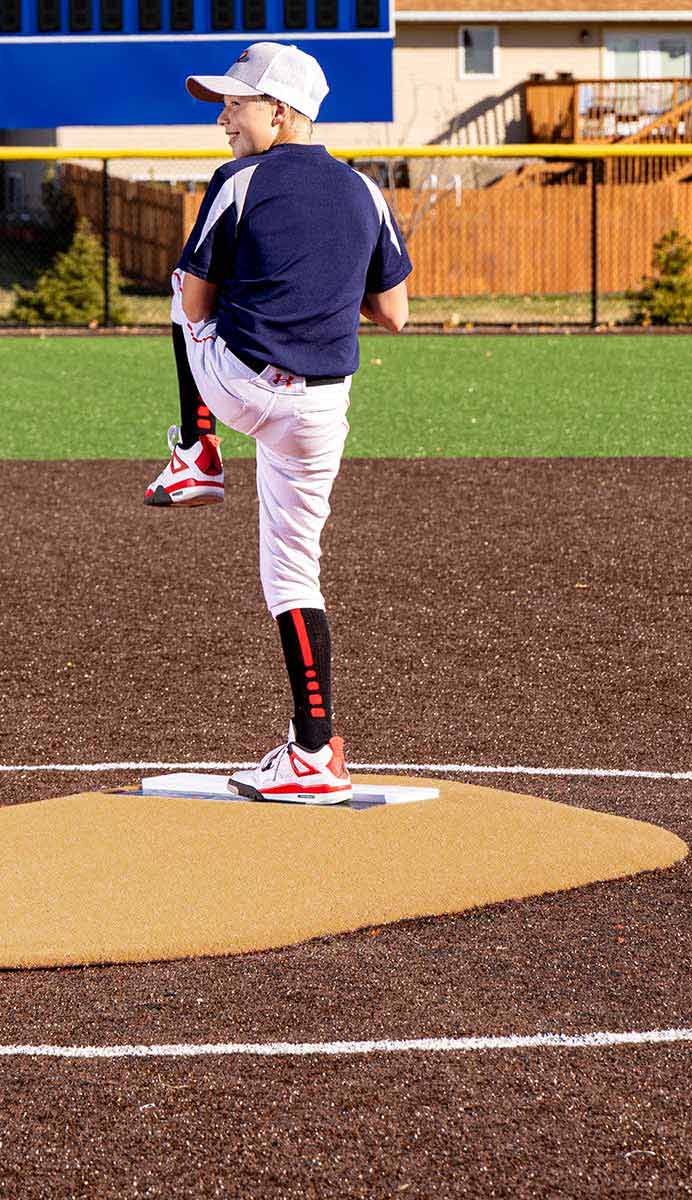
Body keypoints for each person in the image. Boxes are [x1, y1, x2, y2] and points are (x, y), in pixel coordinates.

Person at [143, 41, 411, 804]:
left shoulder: (240, 180)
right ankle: (315, 754)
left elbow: (196, 305)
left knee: (181, 287)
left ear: (281, 112)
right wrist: (323, 293)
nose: (224, 117)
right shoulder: (366, 190)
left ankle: (196, 451)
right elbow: (393, 314)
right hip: (323, 410)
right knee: (296, 576)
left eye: (237, 102)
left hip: (240, 388)